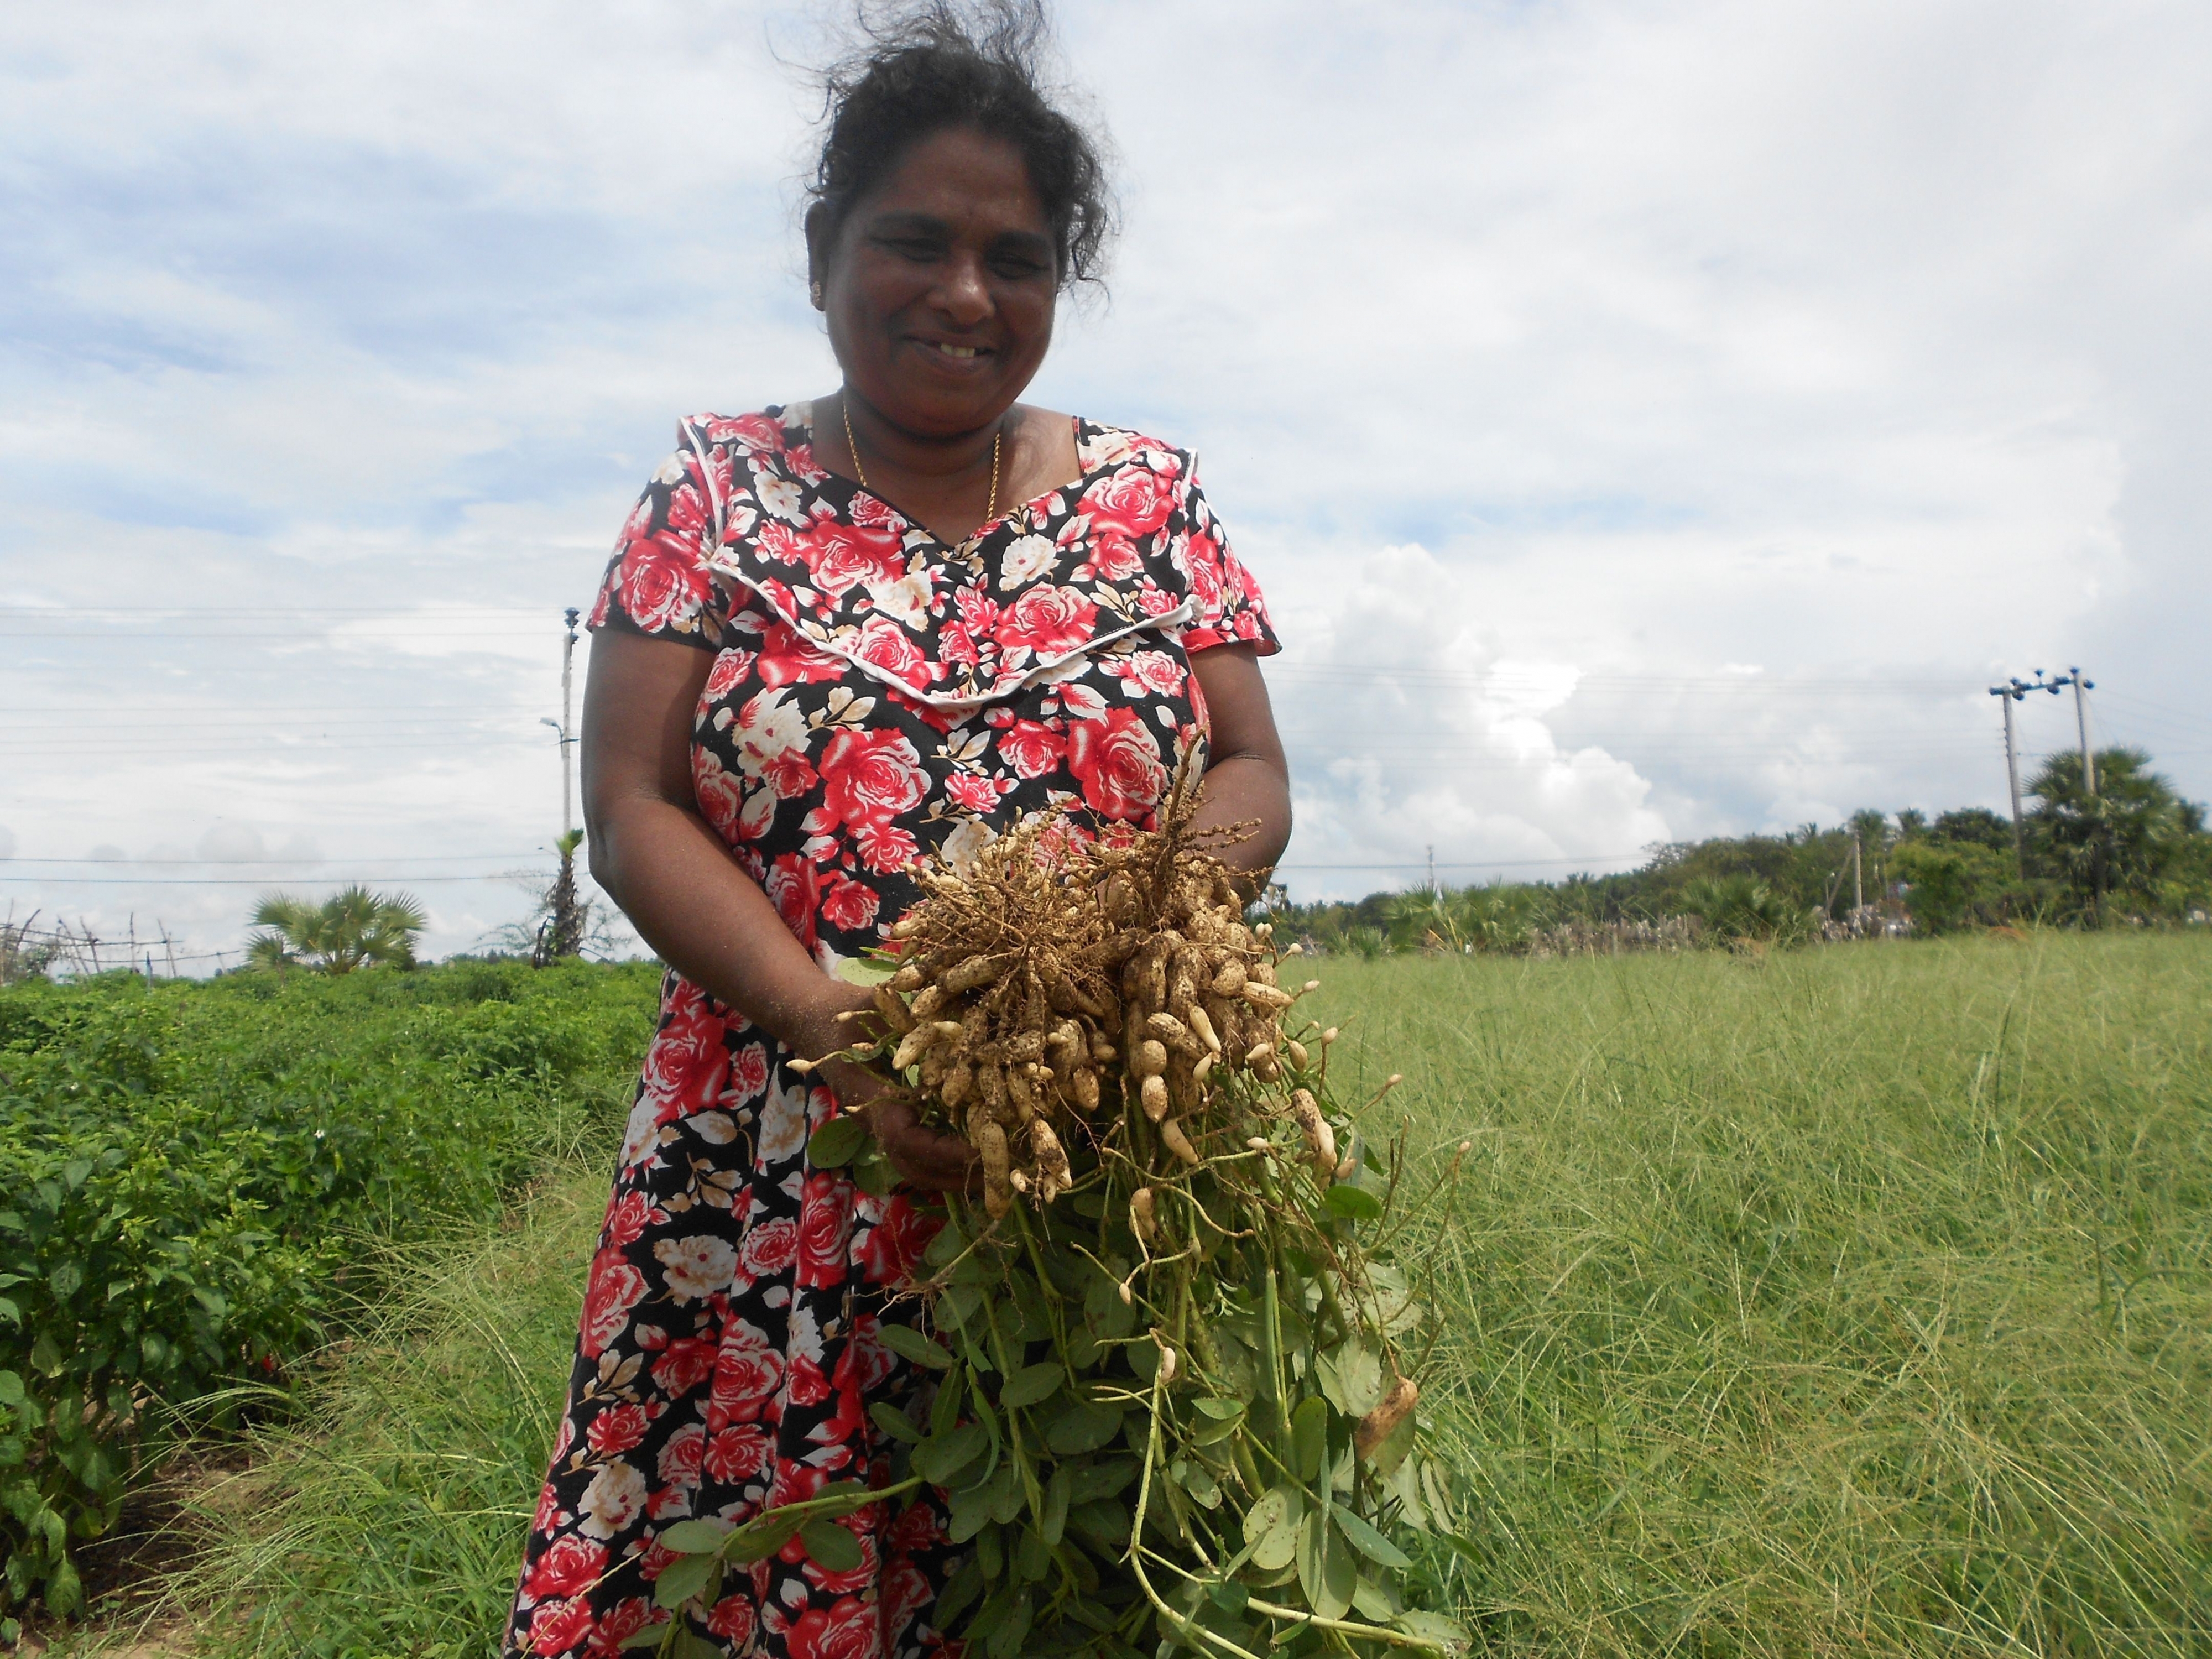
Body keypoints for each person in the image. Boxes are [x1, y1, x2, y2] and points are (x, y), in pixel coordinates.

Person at [504, 6, 1291, 1653]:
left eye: (1016, 257)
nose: (964, 293)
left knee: (1076, 1553)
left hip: (1080, 1156)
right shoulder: (713, 497)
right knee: (759, 1570)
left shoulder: (1155, 504)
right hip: (772, 1157)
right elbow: (630, 807)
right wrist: (829, 1026)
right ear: (823, 252)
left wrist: (1119, 957)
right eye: (915, 241)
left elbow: (1250, 775)